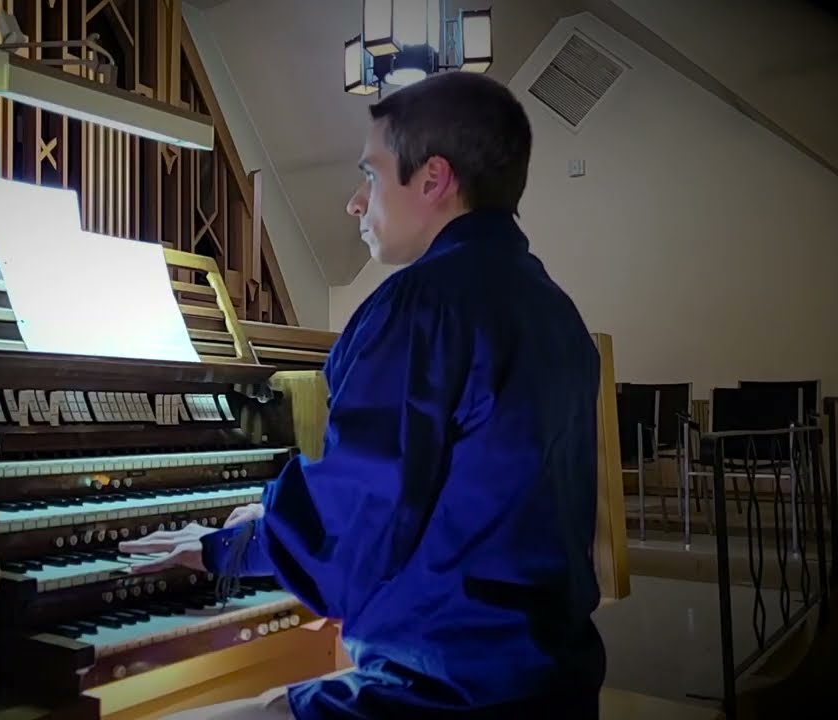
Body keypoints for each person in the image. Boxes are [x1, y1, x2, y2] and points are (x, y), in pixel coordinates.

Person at [120, 71, 606, 720]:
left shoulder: (419, 307)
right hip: (547, 684)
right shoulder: (554, 309)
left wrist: (228, 545)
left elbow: (345, 549)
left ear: (432, 179)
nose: (355, 202)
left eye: (371, 174)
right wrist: (270, 527)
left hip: (444, 693)